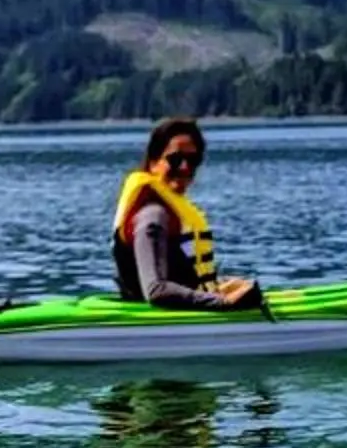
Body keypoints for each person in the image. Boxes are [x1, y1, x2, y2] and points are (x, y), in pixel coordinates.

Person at [111, 116, 265, 310]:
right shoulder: (153, 216)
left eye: (193, 160)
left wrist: (222, 284)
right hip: (158, 319)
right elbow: (156, 290)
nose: (185, 167)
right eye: (175, 159)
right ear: (153, 162)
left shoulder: (174, 212)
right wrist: (223, 302)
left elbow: (183, 277)